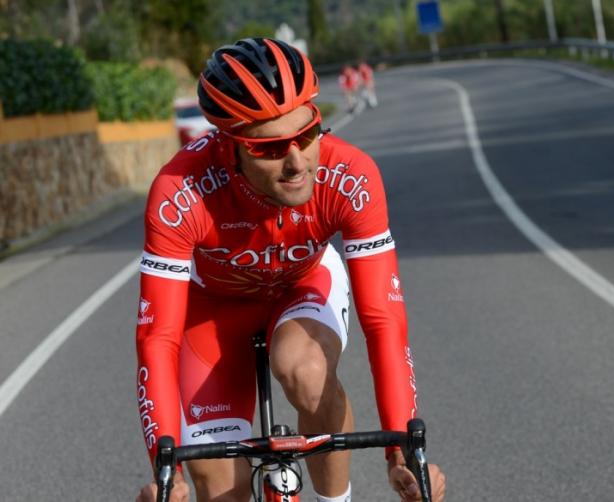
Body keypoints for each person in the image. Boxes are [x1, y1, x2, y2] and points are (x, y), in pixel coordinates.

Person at [135, 37, 445, 502]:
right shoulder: (181, 193)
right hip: (212, 311)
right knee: (220, 487)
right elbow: (157, 337)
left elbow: (383, 321)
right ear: (229, 146)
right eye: (271, 149)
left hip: (302, 285)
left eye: (307, 134)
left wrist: (403, 456)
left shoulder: (351, 176)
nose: (298, 163)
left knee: (304, 370)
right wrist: (166, 474)